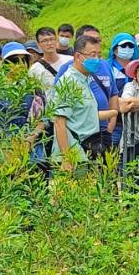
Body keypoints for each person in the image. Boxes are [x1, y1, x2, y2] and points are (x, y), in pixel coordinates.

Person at [49, 31, 116, 171]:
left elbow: (84, 116)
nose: (97, 59)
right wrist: (67, 159)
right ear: (78, 56)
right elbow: (59, 122)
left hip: (87, 152)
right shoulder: (69, 82)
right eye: (92, 55)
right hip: (74, 156)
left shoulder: (84, 80)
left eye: (99, 55)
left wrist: (114, 112)